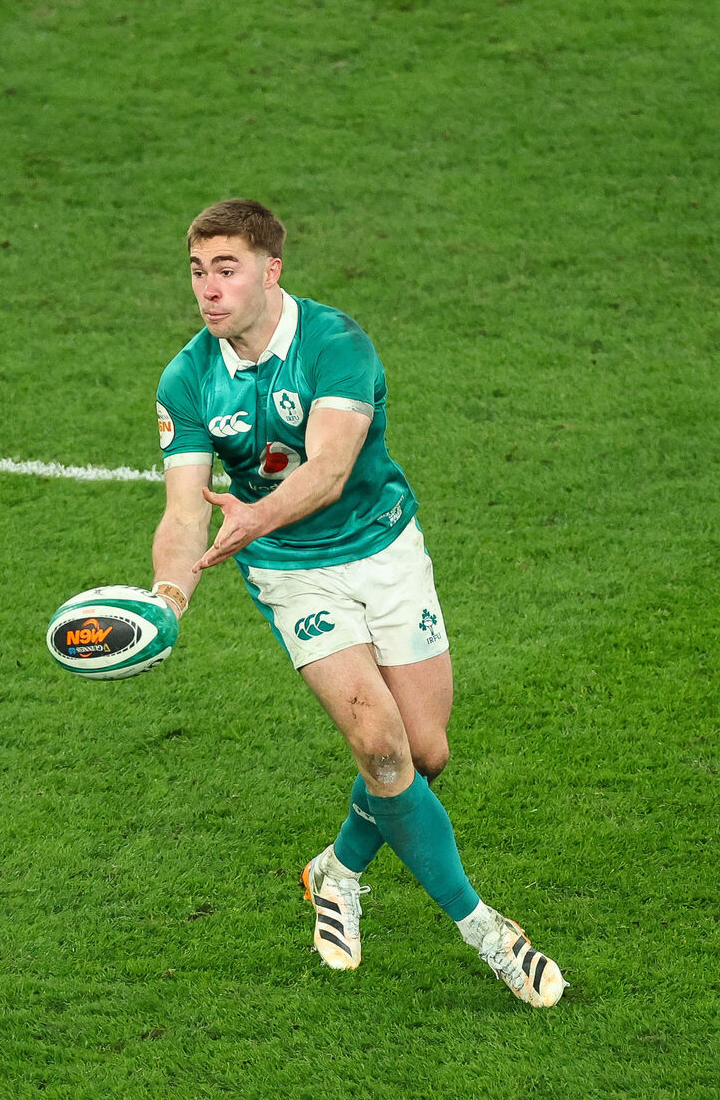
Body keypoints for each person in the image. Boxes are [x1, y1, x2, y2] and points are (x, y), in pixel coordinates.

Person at [148, 198, 566, 1007]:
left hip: (383, 551)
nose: (208, 289)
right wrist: (169, 595)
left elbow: (328, 470)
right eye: (198, 271)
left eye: (226, 269)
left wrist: (249, 519)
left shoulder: (337, 346)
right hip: (294, 575)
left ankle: (335, 871)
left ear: (272, 270)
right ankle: (487, 931)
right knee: (380, 750)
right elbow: (180, 510)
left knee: (425, 754)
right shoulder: (187, 378)